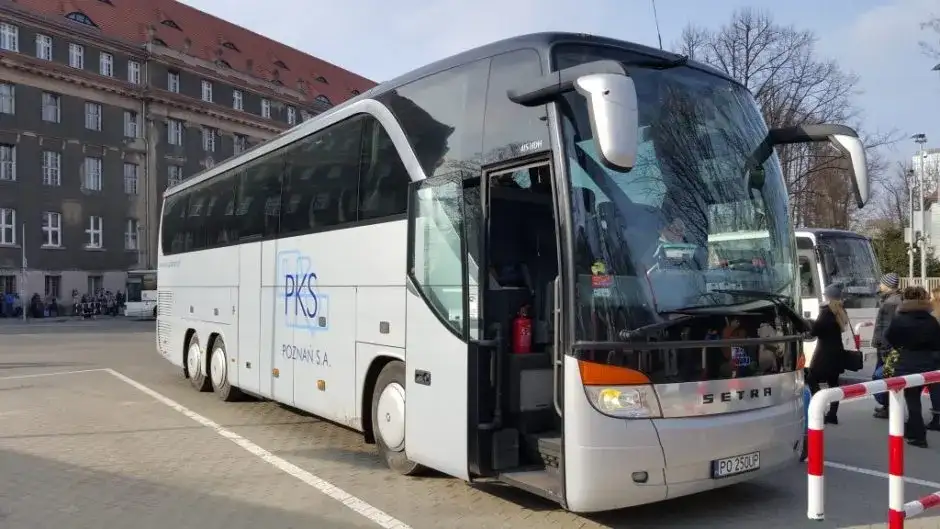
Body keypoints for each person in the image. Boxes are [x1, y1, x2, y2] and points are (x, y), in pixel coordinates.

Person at [883, 286, 940, 448]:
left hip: (906, 362)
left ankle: (918, 435)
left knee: (912, 400)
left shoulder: (900, 318)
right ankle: (913, 430)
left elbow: (889, 337)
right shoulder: (931, 320)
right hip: (929, 363)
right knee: (920, 397)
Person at [806, 284, 850, 425]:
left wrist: (809, 329)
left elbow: (816, 329)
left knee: (811, 378)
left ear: (828, 296)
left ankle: (819, 410)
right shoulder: (840, 310)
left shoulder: (826, 311)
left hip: (824, 353)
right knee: (833, 384)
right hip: (837, 352)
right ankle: (832, 414)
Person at [871, 272, 902, 419]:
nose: (879, 285)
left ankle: (888, 407)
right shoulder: (891, 299)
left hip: (886, 347)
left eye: (882, 283)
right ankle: (886, 406)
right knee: (885, 376)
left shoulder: (891, 303)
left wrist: (884, 346)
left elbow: (888, 327)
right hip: (885, 345)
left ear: (888, 285)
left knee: (883, 376)